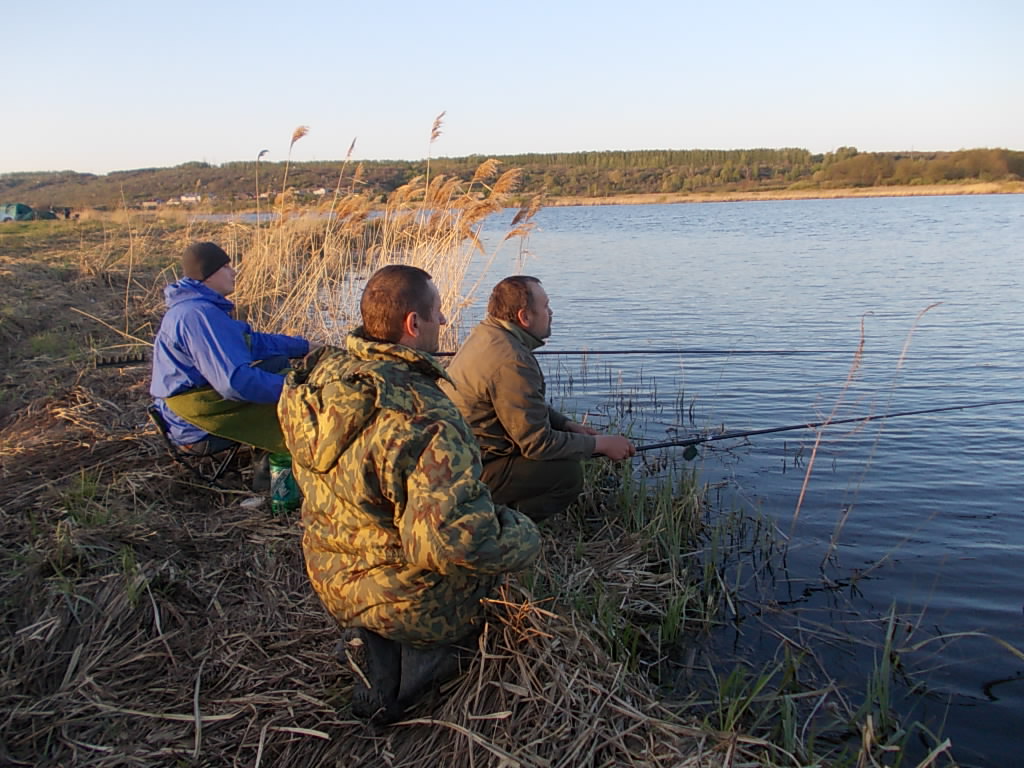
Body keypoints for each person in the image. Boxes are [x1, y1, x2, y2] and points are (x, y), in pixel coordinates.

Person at [278, 264, 540, 723]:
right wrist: (526, 535)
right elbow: (450, 542)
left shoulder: (322, 381)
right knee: (489, 582)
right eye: (438, 312)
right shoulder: (425, 413)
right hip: (401, 599)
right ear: (413, 323)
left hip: (331, 579)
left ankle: (376, 645)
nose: (444, 321)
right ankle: (412, 675)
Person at [441, 276, 635, 522]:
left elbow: (523, 405)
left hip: (454, 458)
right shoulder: (512, 360)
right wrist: (600, 445)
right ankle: (500, 530)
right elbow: (537, 444)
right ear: (524, 316)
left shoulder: (487, 334)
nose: (551, 313)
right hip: (467, 470)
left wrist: (566, 424)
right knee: (566, 475)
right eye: (546, 306)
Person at [150, 241, 310, 456]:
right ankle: (274, 467)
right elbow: (235, 383)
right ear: (207, 275)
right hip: (196, 426)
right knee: (302, 411)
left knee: (278, 362)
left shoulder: (195, 307)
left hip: (192, 408)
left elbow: (252, 342)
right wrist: (298, 390)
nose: (233, 272)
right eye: (225, 267)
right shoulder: (199, 316)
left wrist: (305, 346)